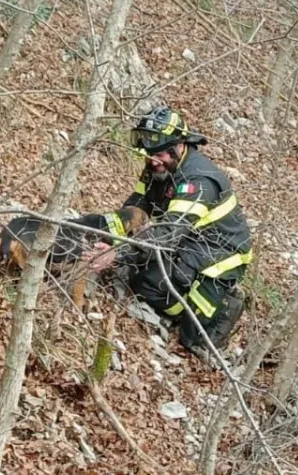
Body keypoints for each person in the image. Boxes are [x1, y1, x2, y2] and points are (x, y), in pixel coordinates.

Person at [88, 106, 253, 363]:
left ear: (178, 147)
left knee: (192, 338)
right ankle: (180, 303)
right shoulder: (156, 166)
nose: (152, 160)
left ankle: (220, 305)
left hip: (221, 251)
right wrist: (106, 236)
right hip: (186, 238)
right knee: (144, 281)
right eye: (148, 154)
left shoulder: (198, 182)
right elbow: (137, 205)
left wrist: (117, 253)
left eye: (159, 154)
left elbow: (167, 233)